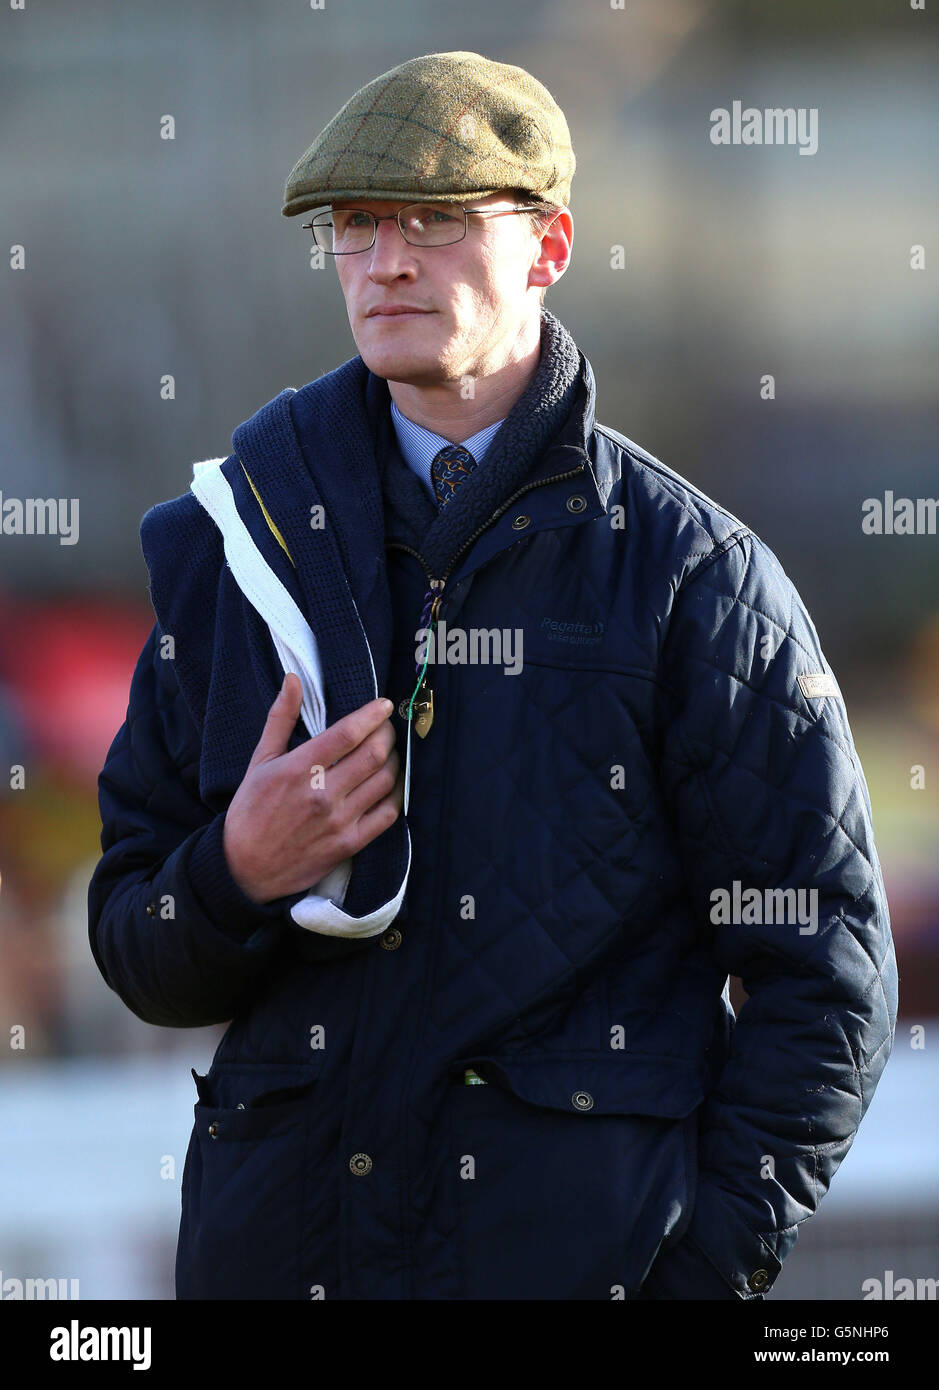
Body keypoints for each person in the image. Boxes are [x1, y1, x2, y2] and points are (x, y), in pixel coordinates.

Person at [88, 50, 898, 1301]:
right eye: (356, 226)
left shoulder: (697, 581)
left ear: (551, 246)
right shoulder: (232, 546)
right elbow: (137, 944)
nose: (388, 260)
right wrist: (235, 872)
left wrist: (696, 1279)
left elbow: (827, 979)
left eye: (440, 221)